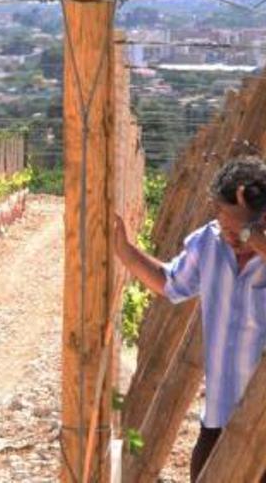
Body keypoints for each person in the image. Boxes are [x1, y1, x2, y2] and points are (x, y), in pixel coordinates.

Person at [114, 155, 266, 482]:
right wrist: (126, 251)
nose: (224, 229)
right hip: (219, 416)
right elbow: (171, 283)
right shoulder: (208, 242)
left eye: (233, 222)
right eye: (221, 217)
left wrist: (255, 241)